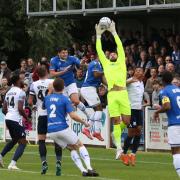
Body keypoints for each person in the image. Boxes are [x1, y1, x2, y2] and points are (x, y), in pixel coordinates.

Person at [43, 78, 99, 177]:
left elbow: (44, 105)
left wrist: (50, 91)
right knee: (79, 144)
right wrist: (84, 122)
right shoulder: (65, 99)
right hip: (62, 128)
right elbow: (73, 116)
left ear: (53, 87)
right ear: (63, 87)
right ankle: (89, 168)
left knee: (72, 148)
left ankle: (83, 170)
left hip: (51, 131)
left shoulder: (47, 98)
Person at [96, 21, 131, 159]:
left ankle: (115, 134)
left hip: (123, 93)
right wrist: (98, 35)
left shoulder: (121, 61)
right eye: (109, 54)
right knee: (116, 121)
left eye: (113, 54)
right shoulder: (106, 63)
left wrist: (114, 32)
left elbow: (120, 46)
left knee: (126, 122)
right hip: (112, 94)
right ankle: (119, 148)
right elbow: (99, 50)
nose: (112, 55)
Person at [28, 66, 62, 175]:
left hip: (42, 115)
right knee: (57, 139)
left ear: (37, 74)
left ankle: (44, 162)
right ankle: (58, 162)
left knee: (41, 141)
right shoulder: (52, 82)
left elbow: (29, 101)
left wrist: (33, 106)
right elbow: (59, 95)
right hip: (53, 115)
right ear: (47, 72)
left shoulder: (34, 84)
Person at [49, 47, 91, 120]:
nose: (65, 54)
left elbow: (80, 65)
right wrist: (63, 71)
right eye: (63, 53)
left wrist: (83, 63)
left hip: (71, 82)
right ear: (58, 53)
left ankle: (88, 115)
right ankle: (64, 121)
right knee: (63, 105)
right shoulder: (54, 60)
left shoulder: (72, 58)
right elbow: (52, 74)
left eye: (66, 52)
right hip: (60, 86)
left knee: (76, 101)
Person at [153, 71, 180, 177]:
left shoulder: (164, 91)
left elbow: (167, 106)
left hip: (175, 124)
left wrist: (157, 112)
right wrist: (162, 108)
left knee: (176, 152)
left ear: (163, 80)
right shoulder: (178, 89)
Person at [0, 75, 28, 170]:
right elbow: (20, 108)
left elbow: (4, 109)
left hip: (8, 118)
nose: (22, 81)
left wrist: (10, 115)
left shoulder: (8, 92)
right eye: (21, 79)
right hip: (16, 119)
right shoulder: (21, 93)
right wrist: (26, 117)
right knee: (23, 142)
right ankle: (12, 164)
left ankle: (0, 156)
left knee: (15, 140)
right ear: (17, 81)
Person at [122, 67, 144, 166]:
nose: (139, 72)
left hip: (139, 110)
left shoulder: (142, 83)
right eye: (137, 70)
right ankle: (123, 153)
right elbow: (122, 85)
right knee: (131, 133)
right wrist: (130, 80)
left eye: (141, 71)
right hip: (130, 110)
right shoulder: (130, 81)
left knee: (139, 130)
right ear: (134, 72)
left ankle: (133, 154)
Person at [81, 58, 104, 141]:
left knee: (97, 110)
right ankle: (97, 131)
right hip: (88, 88)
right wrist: (106, 71)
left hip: (90, 88)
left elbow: (101, 78)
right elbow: (96, 74)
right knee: (99, 109)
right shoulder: (95, 62)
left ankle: (87, 128)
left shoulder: (99, 65)